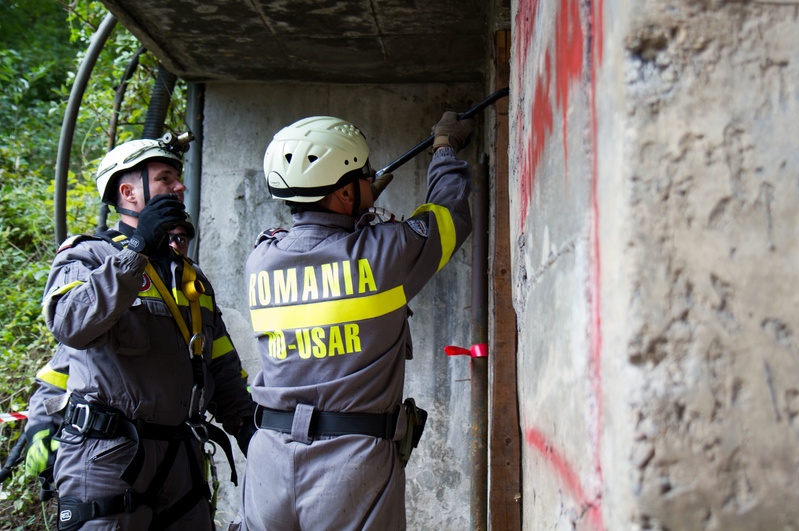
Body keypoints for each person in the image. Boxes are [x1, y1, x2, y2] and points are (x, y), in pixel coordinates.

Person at [235, 112, 474, 530]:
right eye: (364, 176)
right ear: (345, 192)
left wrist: (355, 206)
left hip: (268, 461)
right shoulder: (387, 252)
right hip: (350, 464)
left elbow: (320, 245)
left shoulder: (260, 259)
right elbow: (448, 216)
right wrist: (445, 150)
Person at [39, 139, 256, 531]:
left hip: (181, 459)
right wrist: (136, 250)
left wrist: (246, 427)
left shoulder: (190, 277)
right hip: (108, 456)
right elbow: (69, 323)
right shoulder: (87, 255)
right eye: (164, 178)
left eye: (178, 178)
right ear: (127, 192)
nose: (179, 187)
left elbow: (218, 362)